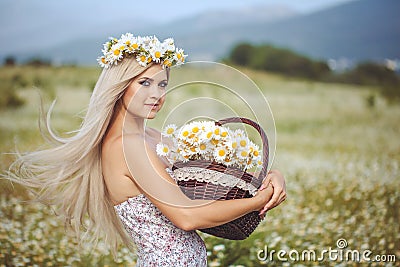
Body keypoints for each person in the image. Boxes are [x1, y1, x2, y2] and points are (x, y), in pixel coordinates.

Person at [6, 33, 286, 266]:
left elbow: (213, 170)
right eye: (145, 83)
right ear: (119, 87)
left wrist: (270, 176)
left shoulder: (151, 136)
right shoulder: (127, 147)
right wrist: (259, 202)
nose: (157, 95)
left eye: (162, 84)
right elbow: (187, 216)